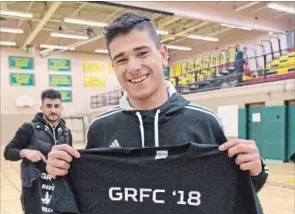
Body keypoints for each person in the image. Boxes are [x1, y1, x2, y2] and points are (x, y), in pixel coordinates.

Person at [46, 13, 268, 191]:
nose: (133, 67)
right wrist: (60, 175)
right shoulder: (100, 129)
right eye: (121, 59)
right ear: (113, 66)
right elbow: (90, 195)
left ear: (163, 54)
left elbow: (228, 194)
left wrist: (255, 172)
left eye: (142, 53)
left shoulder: (205, 122)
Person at [4, 89, 77, 214]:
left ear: (61, 107)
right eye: (49, 106)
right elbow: (8, 152)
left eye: (56, 106)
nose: (53, 110)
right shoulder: (28, 129)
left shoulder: (65, 131)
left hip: (56, 189)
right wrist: (25, 152)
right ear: (41, 107)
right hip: (34, 190)